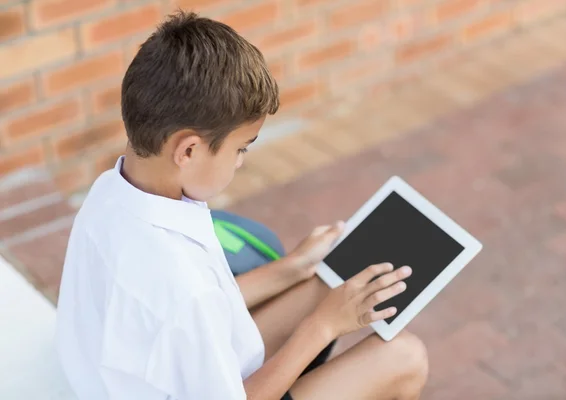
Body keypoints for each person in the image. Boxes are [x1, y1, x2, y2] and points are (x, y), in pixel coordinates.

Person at [56, 11, 428, 400]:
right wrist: (323, 327)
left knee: (325, 284)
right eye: (240, 148)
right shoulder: (179, 284)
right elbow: (192, 307)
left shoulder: (111, 192)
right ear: (188, 150)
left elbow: (197, 310)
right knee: (405, 357)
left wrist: (292, 268)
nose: (241, 161)